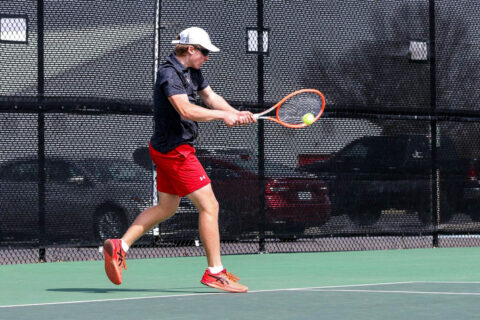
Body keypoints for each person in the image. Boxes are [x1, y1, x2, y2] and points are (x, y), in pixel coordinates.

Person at [103, 27, 256, 293]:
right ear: (191, 50)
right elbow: (185, 109)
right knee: (210, 206)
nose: (207, 57)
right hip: (176, 151)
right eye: (205, 52)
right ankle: (215, 272)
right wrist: (223, 117)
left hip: (166, 149)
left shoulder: (192, 71)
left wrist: (236, 112)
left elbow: (210, 97)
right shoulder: (169, 74)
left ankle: (120, 246)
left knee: (166, 207)